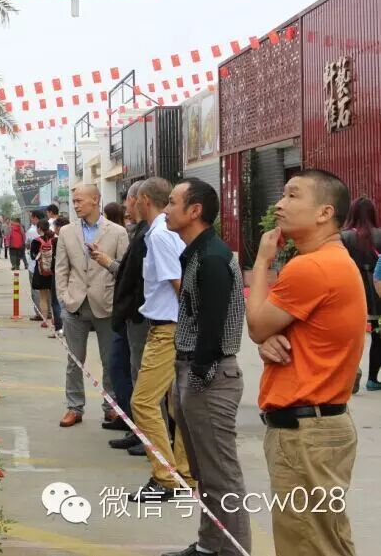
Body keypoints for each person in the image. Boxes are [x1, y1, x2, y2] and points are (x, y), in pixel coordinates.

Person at [247, 170, 362, 556]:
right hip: (320, 426)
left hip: (305, 432)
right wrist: (267, 340)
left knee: (307, 543)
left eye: (293, 196)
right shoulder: (332, 261)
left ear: (324, 213)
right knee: (325, 539)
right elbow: (276, 334)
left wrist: (261, 262)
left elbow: (257, 325)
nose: (280, 204)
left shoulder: (310, 267)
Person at [163, 178, 250, 556]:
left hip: (211, 377)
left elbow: (213, 326)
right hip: (192, 372)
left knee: (222, 478)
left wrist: (198, 372)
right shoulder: (197, 252)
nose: (166, 210)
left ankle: (232, 550)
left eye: (172, 202)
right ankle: (209, 545)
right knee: (205, 474)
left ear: (194, 210)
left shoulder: (212, 257)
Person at [125, 178, 193, 502]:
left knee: (143, 402)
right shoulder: (163, 232)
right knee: (176, 404)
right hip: (172, 326)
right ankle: (185, 473)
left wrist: (193, 323)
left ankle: (166, 477)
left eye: (134, 199)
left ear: (144, 200)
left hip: (169, 329)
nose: (131, 204)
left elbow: (179, 283)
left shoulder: (160, 235)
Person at [54, 184, 129, 427]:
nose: (75, 205)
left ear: (95, 200)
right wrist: (64, 297)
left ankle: (111, 406)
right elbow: (61, 268)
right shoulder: (67, 232)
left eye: (79, 200)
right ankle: (74, 407)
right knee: (74, 361)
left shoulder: (117, 232)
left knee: (110, 360)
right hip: (75, 304)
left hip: (106, 303)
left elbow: (124, 270)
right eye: (74, 201)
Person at [88, 181, 149, 444]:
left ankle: (143, 433)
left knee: (134, 373)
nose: (126, 207)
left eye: (128, 202)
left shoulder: (146, 235)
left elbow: (134, 274)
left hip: (138, 315)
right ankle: (130, 421)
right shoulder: (141, 232)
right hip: (127, 315)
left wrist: (108, 263)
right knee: (119, 368)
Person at [340, 197, 381, 391]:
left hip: (353, 291)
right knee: (378, 335)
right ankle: (372, 379)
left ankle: (352, 372)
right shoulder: (380, 235)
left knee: (350, 336)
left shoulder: (344, 237)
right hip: (377, 295)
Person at [28, 220, 55, 328]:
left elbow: (33, 257)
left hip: (41, 272)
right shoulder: (55, 240)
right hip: (53, 271)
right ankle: (55, 319)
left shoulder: (36, 241)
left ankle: (45, 320)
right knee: (54, 297)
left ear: (39, 228)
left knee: (43, 297)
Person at [47, 216, 69, 337]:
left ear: (59, 227)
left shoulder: (56, 241)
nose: (54, 229)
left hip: (58, 273)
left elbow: (55, 260)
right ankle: (67, 327)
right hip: (71, 274)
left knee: (56, 301)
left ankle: (59, 328)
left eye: (55, 227)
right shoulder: (74, 239)